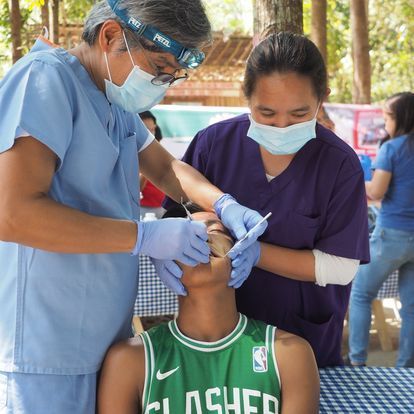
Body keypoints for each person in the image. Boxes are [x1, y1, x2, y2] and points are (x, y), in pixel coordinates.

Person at [0, 1, 268, 413]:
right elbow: (11, 214)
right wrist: (143, 237)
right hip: (45, 350)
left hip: (103, 340)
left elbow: (164, 167)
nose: (162, 83)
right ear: (110, 36)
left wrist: (226, 205)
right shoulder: (46, 80)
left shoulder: (113, 101)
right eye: (159, 68)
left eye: (172, 76)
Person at [164, 32, 370, 367]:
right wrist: (194, 230)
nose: (282, 126)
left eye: (299, 114)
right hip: (213, 337)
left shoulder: (339, 165)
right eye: (267, 113)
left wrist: (257, 253)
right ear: (245, 97)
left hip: (301, 341)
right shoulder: (214, 144)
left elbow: (340, 267)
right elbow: (176, 213)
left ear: (322, 99)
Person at [98, 204, 320, 414]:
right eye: (184, 235)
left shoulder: (289, 354)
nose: (202, 238)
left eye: (214, 229)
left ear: (240, 249)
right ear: (164, 261)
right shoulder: (130, 361)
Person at [348, 92, 414, 367]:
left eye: (387, 115)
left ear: (400, 117)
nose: (384, 120)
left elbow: (376, 191)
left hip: (392, 236)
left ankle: (356, 364)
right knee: (410, 307)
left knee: (361, 294)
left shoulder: (392, 148)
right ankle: (406, 368)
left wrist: (352, 181)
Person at [139, 111, 166, 219]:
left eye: (152, 129)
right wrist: (146, 169)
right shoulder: (129, 154)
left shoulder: (160, 152)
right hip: (142, 208)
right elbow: (136, 189)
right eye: (146, 130)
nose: (150, 134)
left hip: (161, 207)